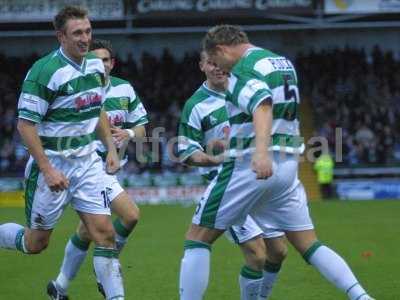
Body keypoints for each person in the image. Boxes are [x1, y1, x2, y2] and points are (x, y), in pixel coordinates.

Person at [179, 24, 374, 300]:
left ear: (221, 49)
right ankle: (361, 297)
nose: (218, 67)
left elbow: (262, 103)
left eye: (216, 59)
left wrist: (260, 152)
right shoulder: (281, 63)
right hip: (287, 165)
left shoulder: (242, 71)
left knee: (197, 237)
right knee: (308, 244)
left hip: (251, 164)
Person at [0, 7, 125, 300]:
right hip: (53, 166)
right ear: (61, 36)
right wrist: (47, 169)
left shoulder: (96, 67)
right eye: (77, 33)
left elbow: (98, 109)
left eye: (88, 31)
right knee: (36, 243)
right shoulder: (45, 71)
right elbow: (25, 125)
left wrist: (110, 149)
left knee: (105, 234)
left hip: (88, 164)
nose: (85, 39)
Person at [178, 50, 287, 300]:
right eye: (211, 63)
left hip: (259, 181)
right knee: (257, 254)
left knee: (278, 251)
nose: (217, 67)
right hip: (229, 187)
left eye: (221, 62)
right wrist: (214, 157)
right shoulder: (196, 105)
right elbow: (186, 152)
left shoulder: (245, 92)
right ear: (202, 66)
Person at [47, 39, 148, 299]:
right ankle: (106, 268)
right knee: (130, 215)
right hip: (87, 169)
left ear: (112, 63)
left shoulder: (124, 89)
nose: (102, 65)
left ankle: (59, 287)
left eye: (106, 60)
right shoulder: (79, 90)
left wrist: (126, 132)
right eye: (97, 60)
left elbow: (142, 128)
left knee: (87, 231)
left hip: (110, 168)